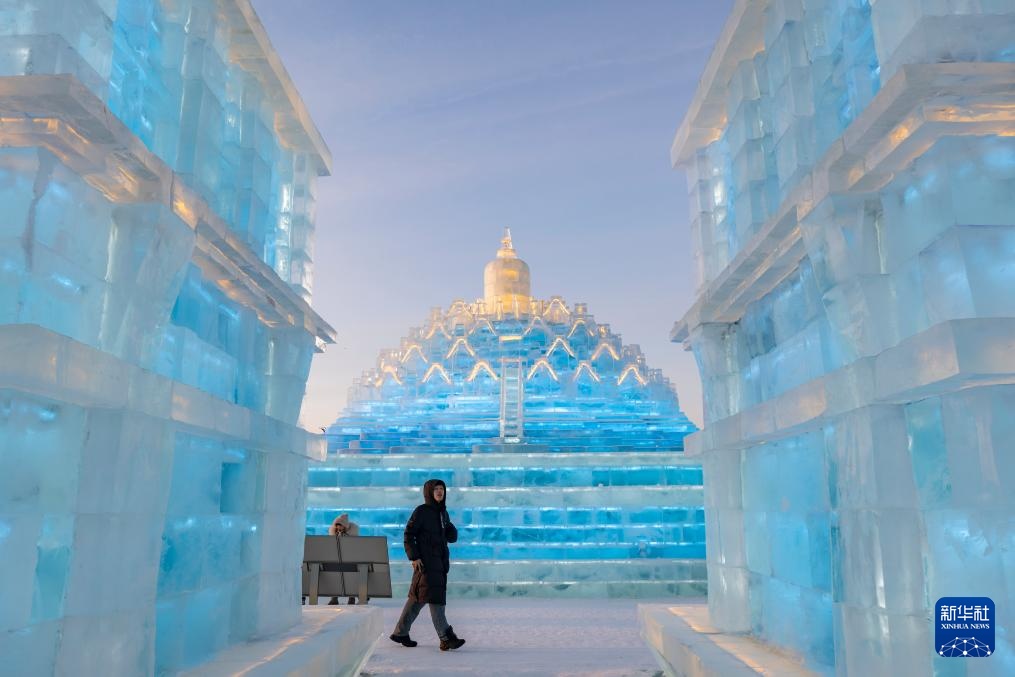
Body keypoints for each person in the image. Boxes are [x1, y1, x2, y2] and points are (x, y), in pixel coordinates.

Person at [389, 479, 465, 651]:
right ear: (429, 492)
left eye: (442, 489)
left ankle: (400, 632)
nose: (439, 492)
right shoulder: (422, 511)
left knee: (417, 598)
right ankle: (446, 637)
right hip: (425, 562)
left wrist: (450, 526)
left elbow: (451, 538)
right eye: (436, 489)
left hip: (439, 562)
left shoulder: (442, 513)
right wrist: (414, 557)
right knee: (435, 598)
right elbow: (409, 534)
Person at [328, 514, 360, 605]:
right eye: (337, 528)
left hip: (350, 559)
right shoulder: (335, 533)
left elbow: (354, 547)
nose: (339, 530)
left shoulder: (352, 533)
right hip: (338, 559)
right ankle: (334, 598)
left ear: (345, 527)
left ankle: (352, 597)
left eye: (340, 528)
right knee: (335, 576)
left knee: (351, 576)